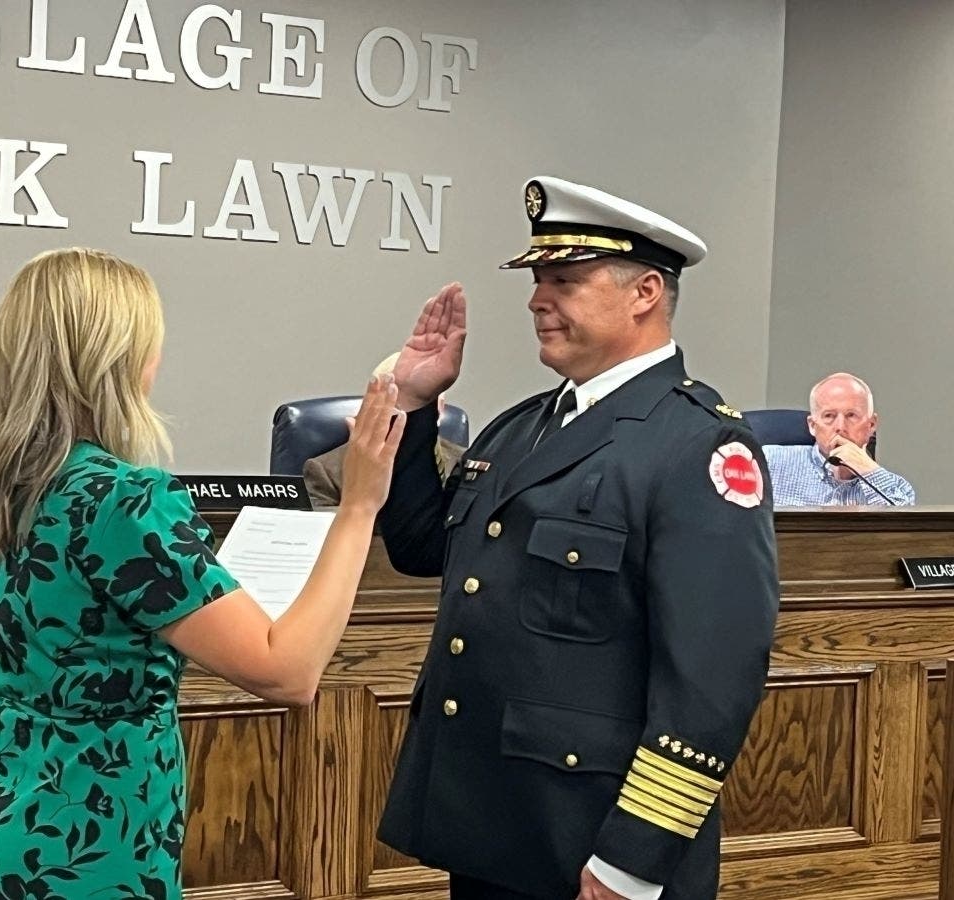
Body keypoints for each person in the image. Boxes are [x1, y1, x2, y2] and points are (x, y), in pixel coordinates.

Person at [0, 247, 404, 899]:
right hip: (88, 847)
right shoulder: (125, 502)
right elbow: (287, 673)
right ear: (120, 362)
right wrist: (359, 506)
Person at [374, 176, 779, 900]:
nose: (537, 299)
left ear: (645, 292)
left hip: (596, 843)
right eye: (537, 280)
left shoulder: (700, 447)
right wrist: (415, 399)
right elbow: (418, 547)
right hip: (494, 822)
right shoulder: (522, 425)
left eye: (564, 279)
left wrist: (635, 856)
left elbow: (711, 684)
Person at [303, 353, 466, 507]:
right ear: (372, 406)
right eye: (395, 403)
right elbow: (332, 535)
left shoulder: (465, 465)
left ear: (440, 408)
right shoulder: (326, 473)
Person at [764, 372, 915, 506]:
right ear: (812, 426)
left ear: (871, 425)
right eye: (829, 416)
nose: (840, 427)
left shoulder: (899, 488)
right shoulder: (769, 462)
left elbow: (907, 529)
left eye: (851, 415)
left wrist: (868, 469)